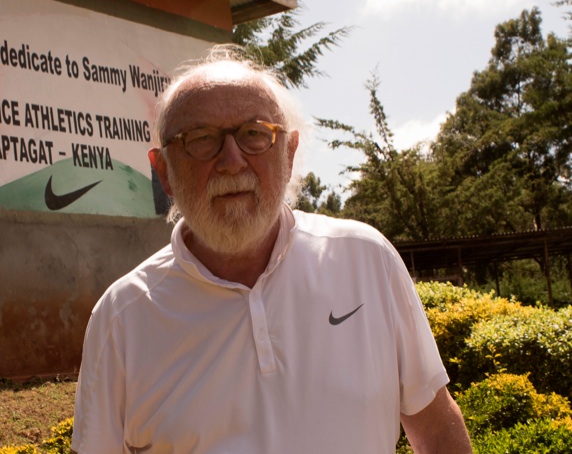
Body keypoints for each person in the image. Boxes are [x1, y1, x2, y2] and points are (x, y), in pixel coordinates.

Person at [72, 45, 472, 453]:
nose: (232, 161)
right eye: (201, 139)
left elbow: (437, 430)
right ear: (164, 172)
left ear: (289, 152)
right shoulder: (121, 319)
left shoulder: (367, 260)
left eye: (254, 135)